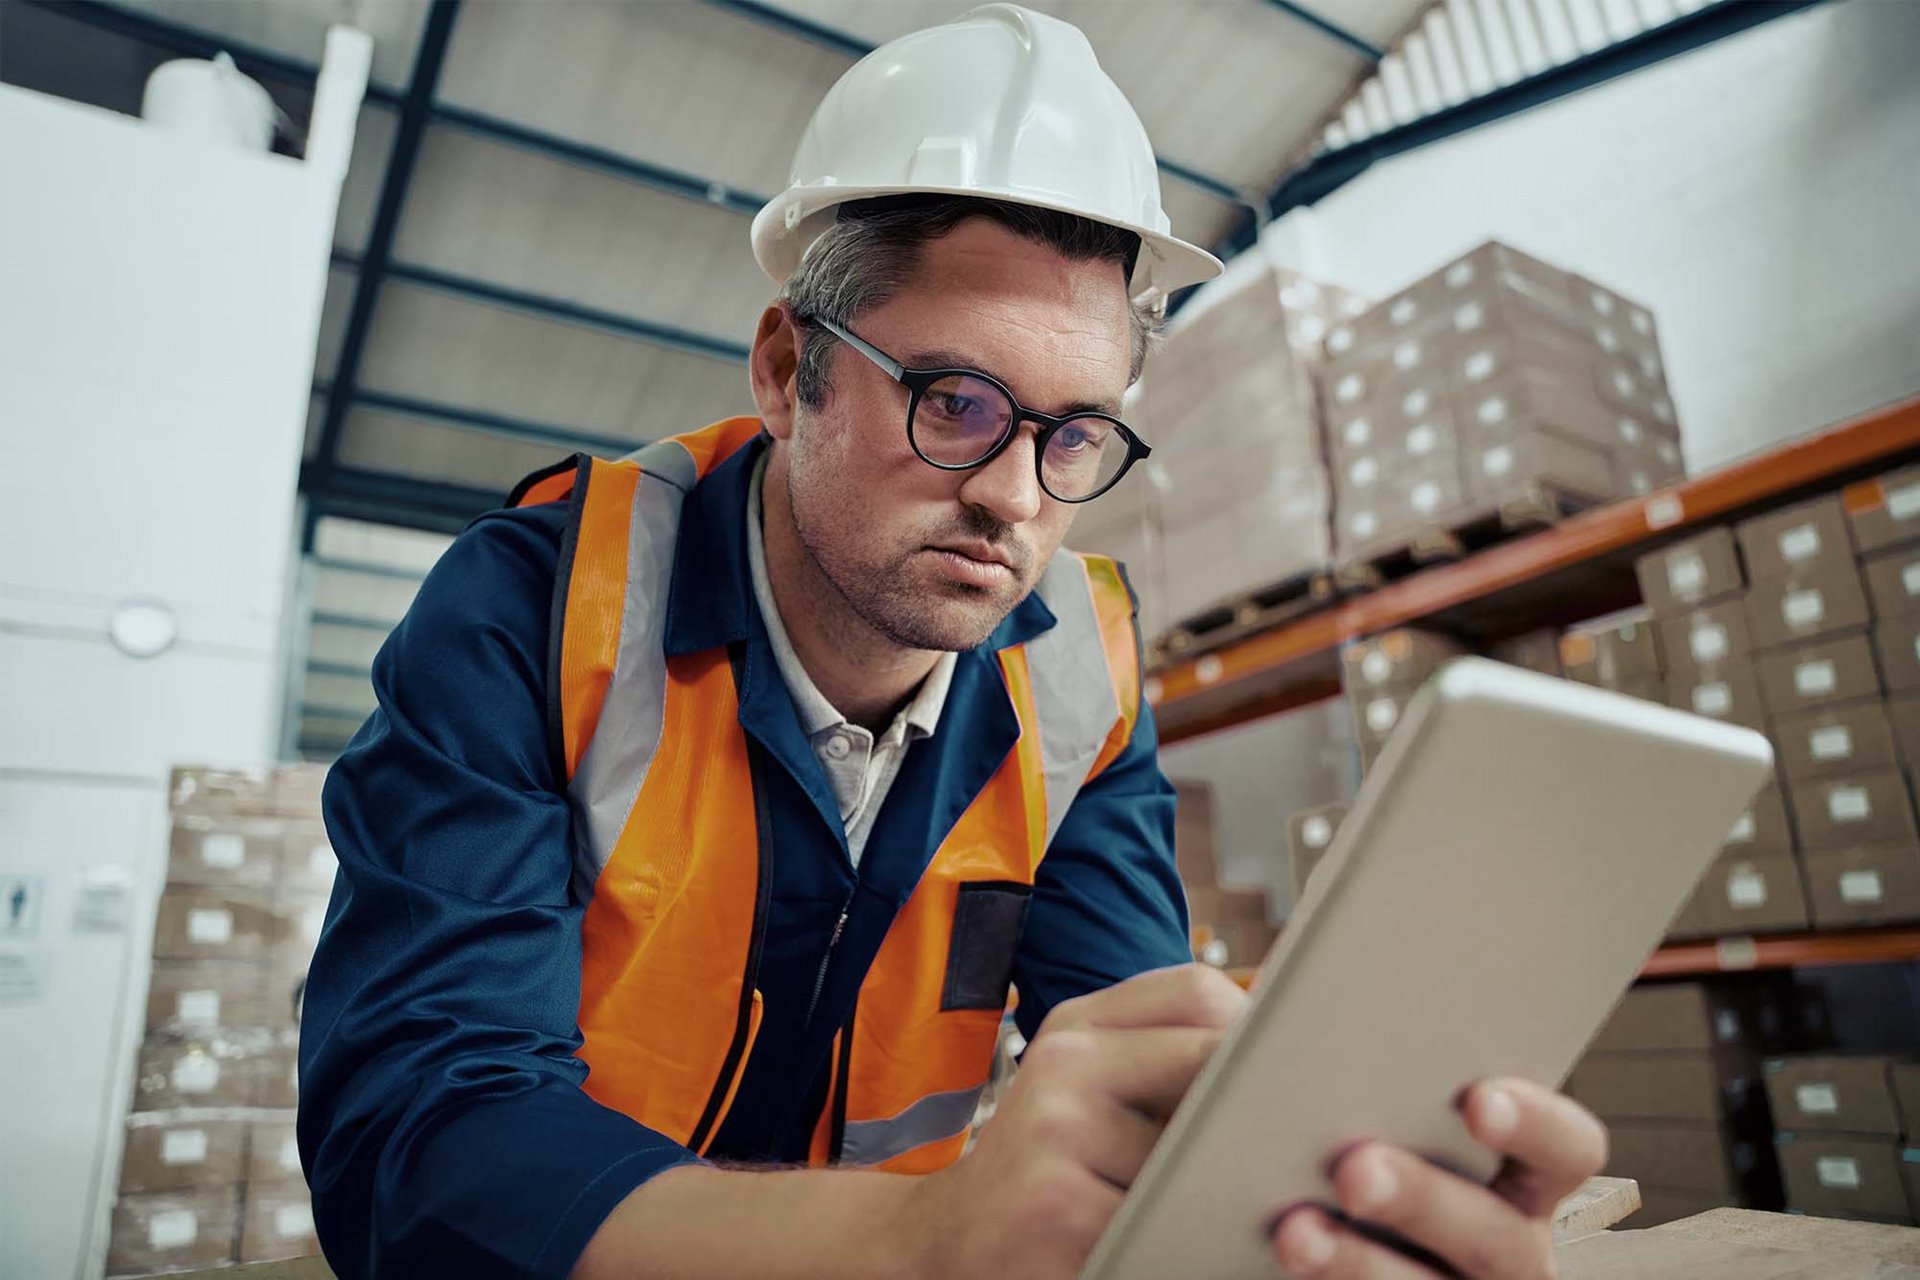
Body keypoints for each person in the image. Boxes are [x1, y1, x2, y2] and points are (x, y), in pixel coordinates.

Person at [298, 6, 1607, 1279]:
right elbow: (416, 1149)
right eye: (957, 401)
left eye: (1074, 433)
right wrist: (916, 1248)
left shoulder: (1079, 673)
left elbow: (1130, 1056)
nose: (1017, 495)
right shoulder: (539, 609)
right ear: (783, 370)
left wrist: (1317, 1196)